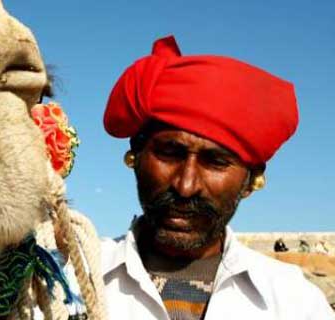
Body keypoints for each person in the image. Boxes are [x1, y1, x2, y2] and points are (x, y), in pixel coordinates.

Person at [101, 35, 334, 319]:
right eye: (169, 153)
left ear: (251, 181)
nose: (186, 186)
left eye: (216, 162)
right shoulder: (68, 281)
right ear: (135, 156)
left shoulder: (292, 302)